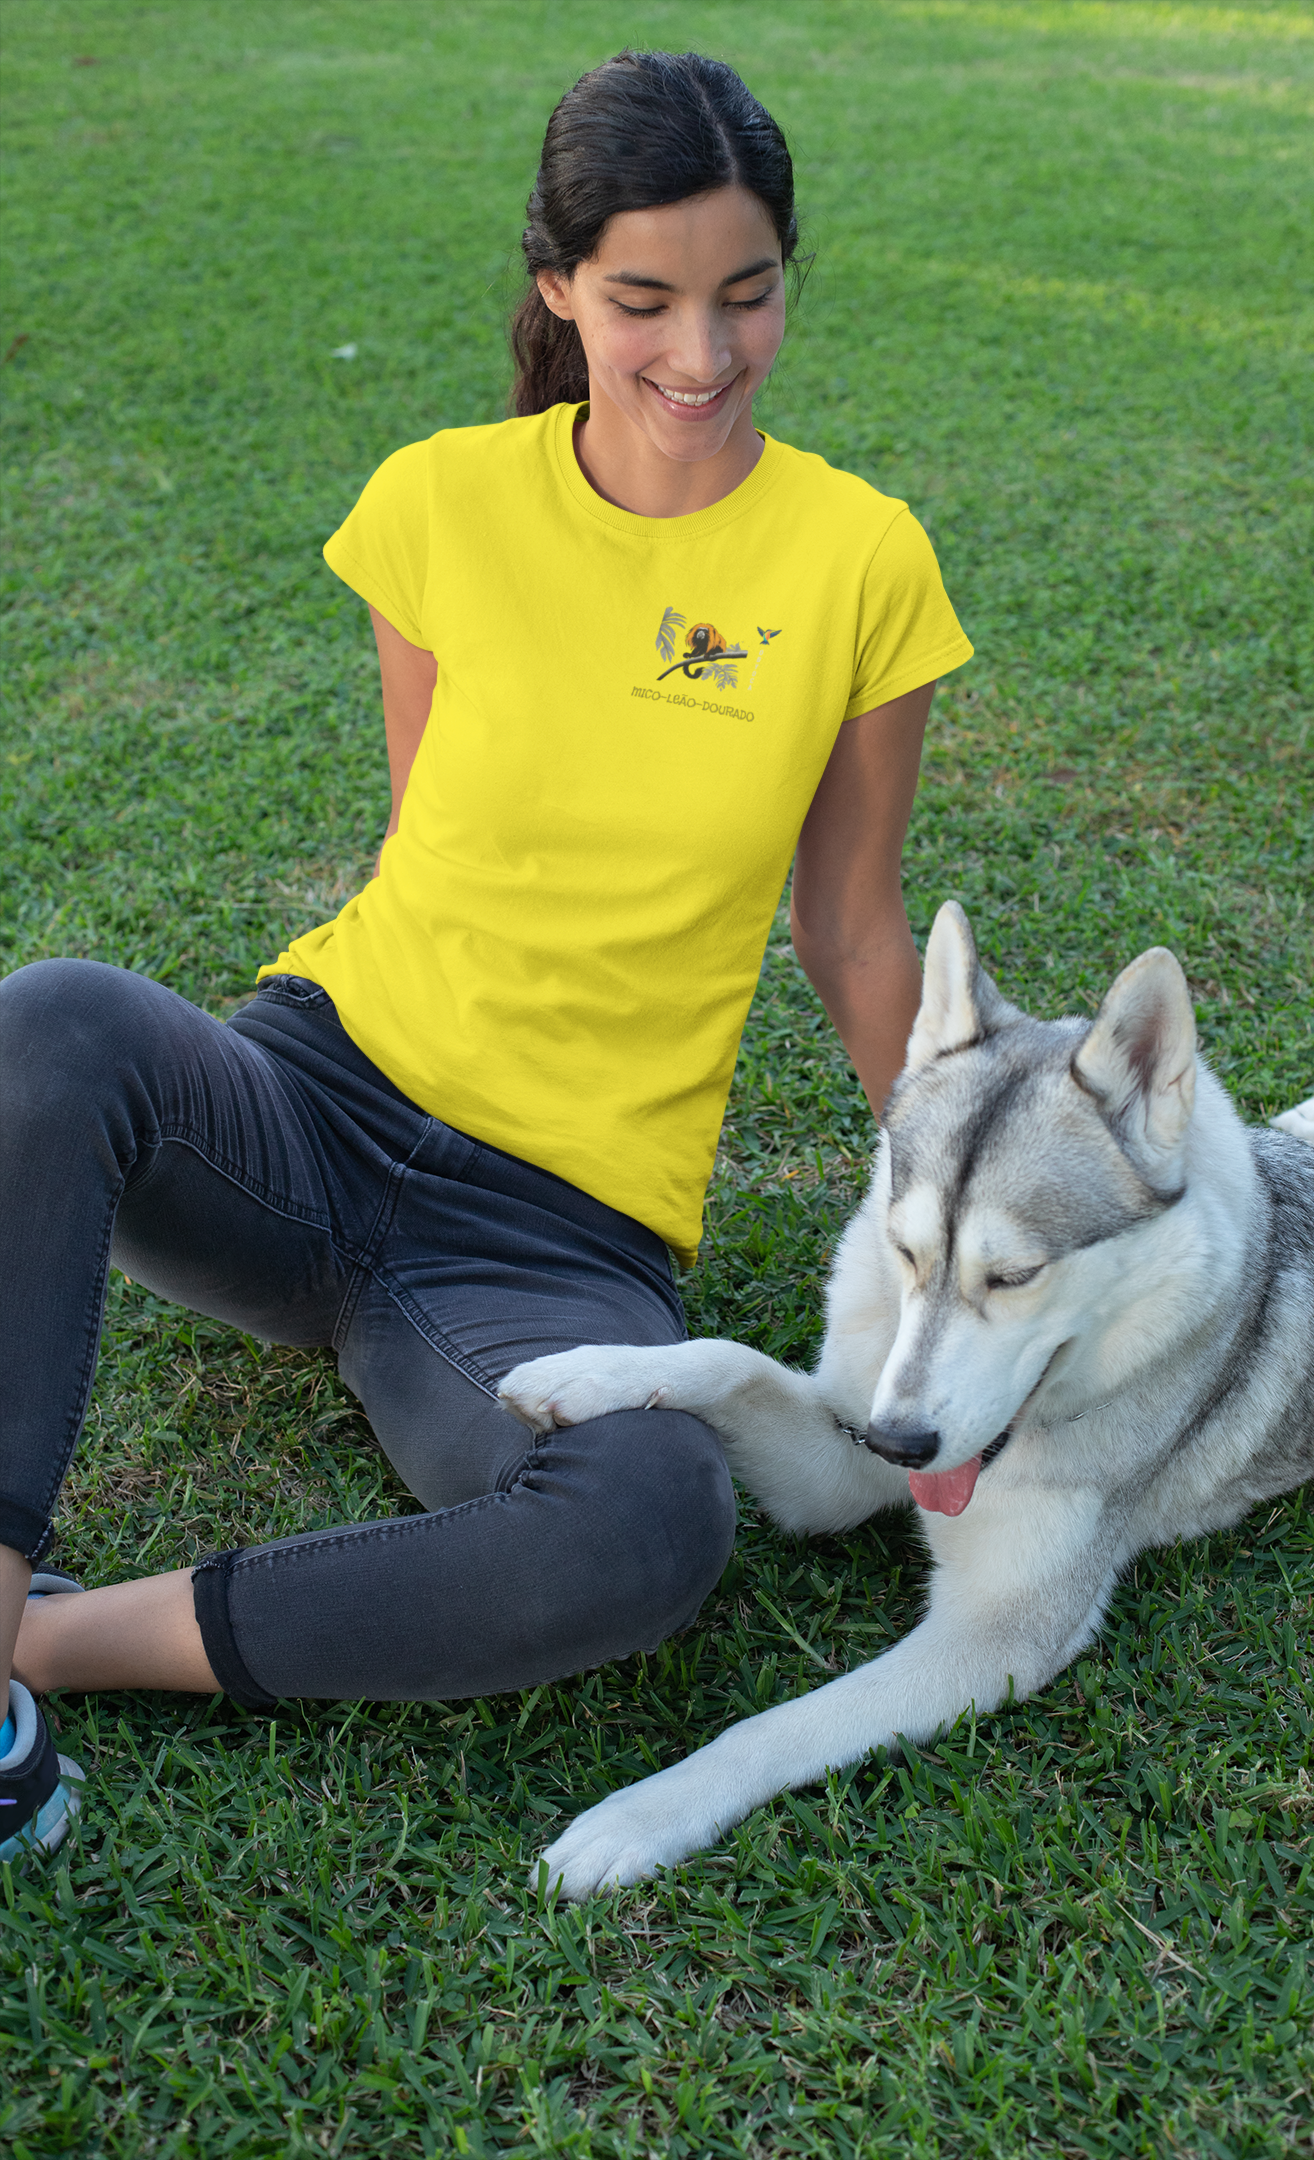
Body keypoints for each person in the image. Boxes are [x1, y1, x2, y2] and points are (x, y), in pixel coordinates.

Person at [0, 49, 972, 1860]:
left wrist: (969, 1240)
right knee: (51, 1023)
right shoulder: (443, 500)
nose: (701, 352)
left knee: (646, 1525)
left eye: (746, 296)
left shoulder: (859, 561)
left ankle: (56, 1643)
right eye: (643, 301)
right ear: (558, 286)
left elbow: (850, 931)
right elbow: (428, 839)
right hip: (306, 1108)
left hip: (556, 1242)